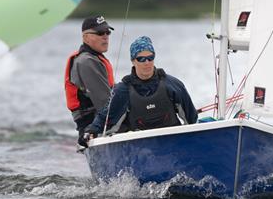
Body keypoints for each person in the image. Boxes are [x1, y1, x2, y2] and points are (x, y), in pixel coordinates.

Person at [82, 36, 197, 145]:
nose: (146, 63)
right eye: (141, 59)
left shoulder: (173, 85)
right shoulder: (123, 90)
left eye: (150, 58)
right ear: (133, 61)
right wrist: (90, 132)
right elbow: (105, 119)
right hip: (140, 148)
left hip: (173, 143)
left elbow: (191, 119)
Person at [64, 15, 115, 143]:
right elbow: (104, 103)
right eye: (100, 33)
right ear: (85, 37)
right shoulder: (87, 62)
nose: (105, 36)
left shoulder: (94, 58)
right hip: (93, 125)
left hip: (101, 121)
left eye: (107, 32)